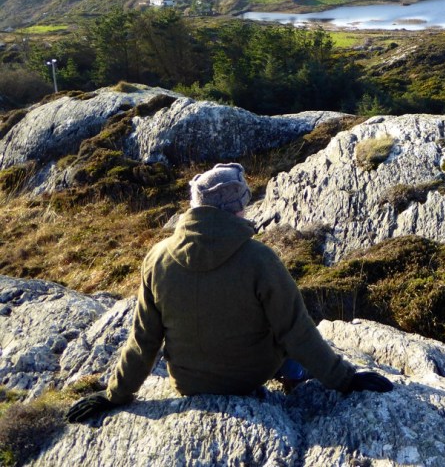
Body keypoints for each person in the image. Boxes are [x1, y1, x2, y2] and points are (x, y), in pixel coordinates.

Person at [67, 163, 392, 424]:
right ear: (236, 208)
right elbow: (297, 332)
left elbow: (144, 341)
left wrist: (114, 396)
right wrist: (346, 379)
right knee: (285, 332)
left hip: (189, 384)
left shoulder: (157, 258)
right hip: (251, 376)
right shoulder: (260, 259)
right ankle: (293, 377)